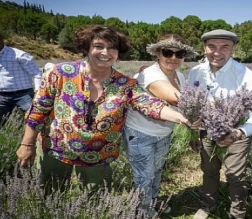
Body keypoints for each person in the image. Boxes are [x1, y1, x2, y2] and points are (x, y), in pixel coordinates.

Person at [15, 25, 190, 194]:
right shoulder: (60, 73)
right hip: (55, 149)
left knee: (96, 199)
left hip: (98, 155)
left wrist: (181, 118)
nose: (105, 53)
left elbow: (149, 104)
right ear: (87, 48)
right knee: (49, 194)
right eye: (99, 46)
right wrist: (27, 144)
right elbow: (38, 110)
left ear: (118, 53)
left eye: (112, 48)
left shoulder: (125, 84)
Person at [188, 29, 252, 219]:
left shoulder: (244, 74)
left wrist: (239, 132)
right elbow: (191, 102)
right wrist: (193, 130)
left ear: (233, 49)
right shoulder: (196, 72)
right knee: (208, 169)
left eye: (224, 47)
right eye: (211, 47)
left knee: (235, 175)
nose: (217, 52)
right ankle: (208, 205)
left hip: (236, 131)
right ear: (204, 48)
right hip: (206, 130)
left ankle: (237, 218)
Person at [123, 34, 195, 218]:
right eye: (167, 52)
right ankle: (142, 212)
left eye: (179, 54)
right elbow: (176, 98)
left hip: (163, 132)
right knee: (144, 176)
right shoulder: (149, 74)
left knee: (156, 170)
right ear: (158, 53)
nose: (173, 58)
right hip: (141, 133)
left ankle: (152, 201)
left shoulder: (179, 75)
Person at [0, 33, 42, 123]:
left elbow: (36, 73)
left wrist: (38, 91)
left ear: (1, 39)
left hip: (23, 95)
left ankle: (38, 136)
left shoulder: (19, 55)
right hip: (2, 96)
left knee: (35, 118)